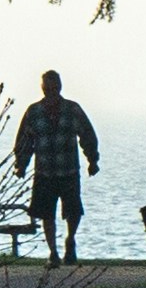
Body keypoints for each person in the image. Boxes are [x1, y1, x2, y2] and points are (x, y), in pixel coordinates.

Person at [11, 71, 102, 263]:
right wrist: (21, 164)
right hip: (44, 172)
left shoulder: (72, 109)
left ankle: (70, 239)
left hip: (68, 170)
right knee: (46, 213)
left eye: (53, 87)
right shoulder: (33, 112)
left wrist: (92, 160)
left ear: (59, 87)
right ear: (42, 88)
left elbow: (87, 135)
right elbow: (25, 141)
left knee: (74, 210)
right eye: (47, 88)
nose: (50, 91)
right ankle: (52, 252)